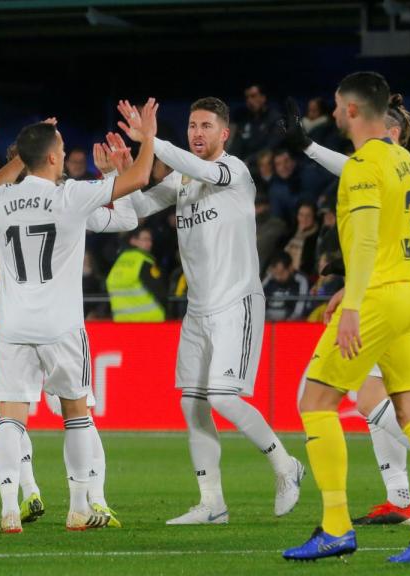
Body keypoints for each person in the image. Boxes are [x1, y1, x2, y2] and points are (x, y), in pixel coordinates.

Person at [282, 88, 410, 533]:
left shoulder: (382, 162)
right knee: (386, 403)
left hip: (388, 294)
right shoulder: (407, 169)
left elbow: (358, 188)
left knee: (348, 400)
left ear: (392, 133)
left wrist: (308, 147)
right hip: (406, 291)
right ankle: (402, 498)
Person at [123, 96, 304, 526]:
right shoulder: (182, 180)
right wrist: (118, 175)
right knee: (192, 405)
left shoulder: (235, 172)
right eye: (191, 125)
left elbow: (202, 168)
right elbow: (137, 211)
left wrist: (152, 140)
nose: (197, 133)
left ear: (224, 134)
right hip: (198, 311)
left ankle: (285, 464)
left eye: (206, 126)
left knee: (223, 396)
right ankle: (212, 504)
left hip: (235, 303)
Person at [0, 100, 157, 534]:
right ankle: (80, 506)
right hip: (60, 326)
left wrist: (24, 153)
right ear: (53, 158)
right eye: (60, 146)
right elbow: (138, 178)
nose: (65, 152)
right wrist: (148, 137)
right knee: (76, 414)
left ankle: (9, 508)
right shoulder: (69, 195)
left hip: (14, 325)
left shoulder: (1, 200)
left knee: (10, 419)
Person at [106, 226, 166, 322]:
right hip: (150, 321)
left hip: (123, 322)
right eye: (145, 239)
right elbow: (159, 290)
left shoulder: (120, 260)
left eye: (150, 240)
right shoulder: (144, 260)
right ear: (133, 241)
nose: (149, 243)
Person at [262, 251, 309, 320]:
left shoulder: (300, 281)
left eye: (281, 273)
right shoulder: (268, 279)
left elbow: (300, 308)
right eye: (275, 274)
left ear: (290, 268)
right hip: (266, 323)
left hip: (288, 325)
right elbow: (257, 299)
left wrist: (288, 323)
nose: (278, 278)